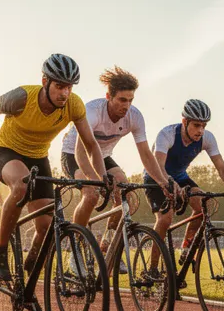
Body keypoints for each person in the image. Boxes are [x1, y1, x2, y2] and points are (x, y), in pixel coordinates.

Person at [0, 54, 111, 283]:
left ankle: (33, 257)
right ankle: (0, 253)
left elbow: (91, 144)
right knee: (21, 185)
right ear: (45, 81)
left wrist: (101, 177)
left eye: (69, 87)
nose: (65, 93)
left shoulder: (74, 105)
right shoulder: (22, 98)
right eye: (59, 86)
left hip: (38, 158)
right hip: (6, 152)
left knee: (46, 226)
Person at [61, 66, 172, 271]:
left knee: (126, 193)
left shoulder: (135, 117)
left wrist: (163, 183)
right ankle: (75, 249)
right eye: (122, 100)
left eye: (130, 100)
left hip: (103, 156)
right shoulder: (92, 111)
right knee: (91, 193)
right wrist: (98, 180)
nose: (127, 106)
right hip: (74, 154)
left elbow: (146, 155)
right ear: (108, 97)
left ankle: (108, 243)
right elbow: (81, 153)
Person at [143, 99, 224, 272]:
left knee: (204, 204)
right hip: (156, 176)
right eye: (196, 125)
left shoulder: (207, 138)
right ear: (185, 121)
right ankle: (151, 269)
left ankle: (187, 247)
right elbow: (158, 164)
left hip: (181, 176)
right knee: (165, 218)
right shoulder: (167, 134)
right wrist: (170, 184)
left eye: (203, 125)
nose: (200, 130)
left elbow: (221, 166)